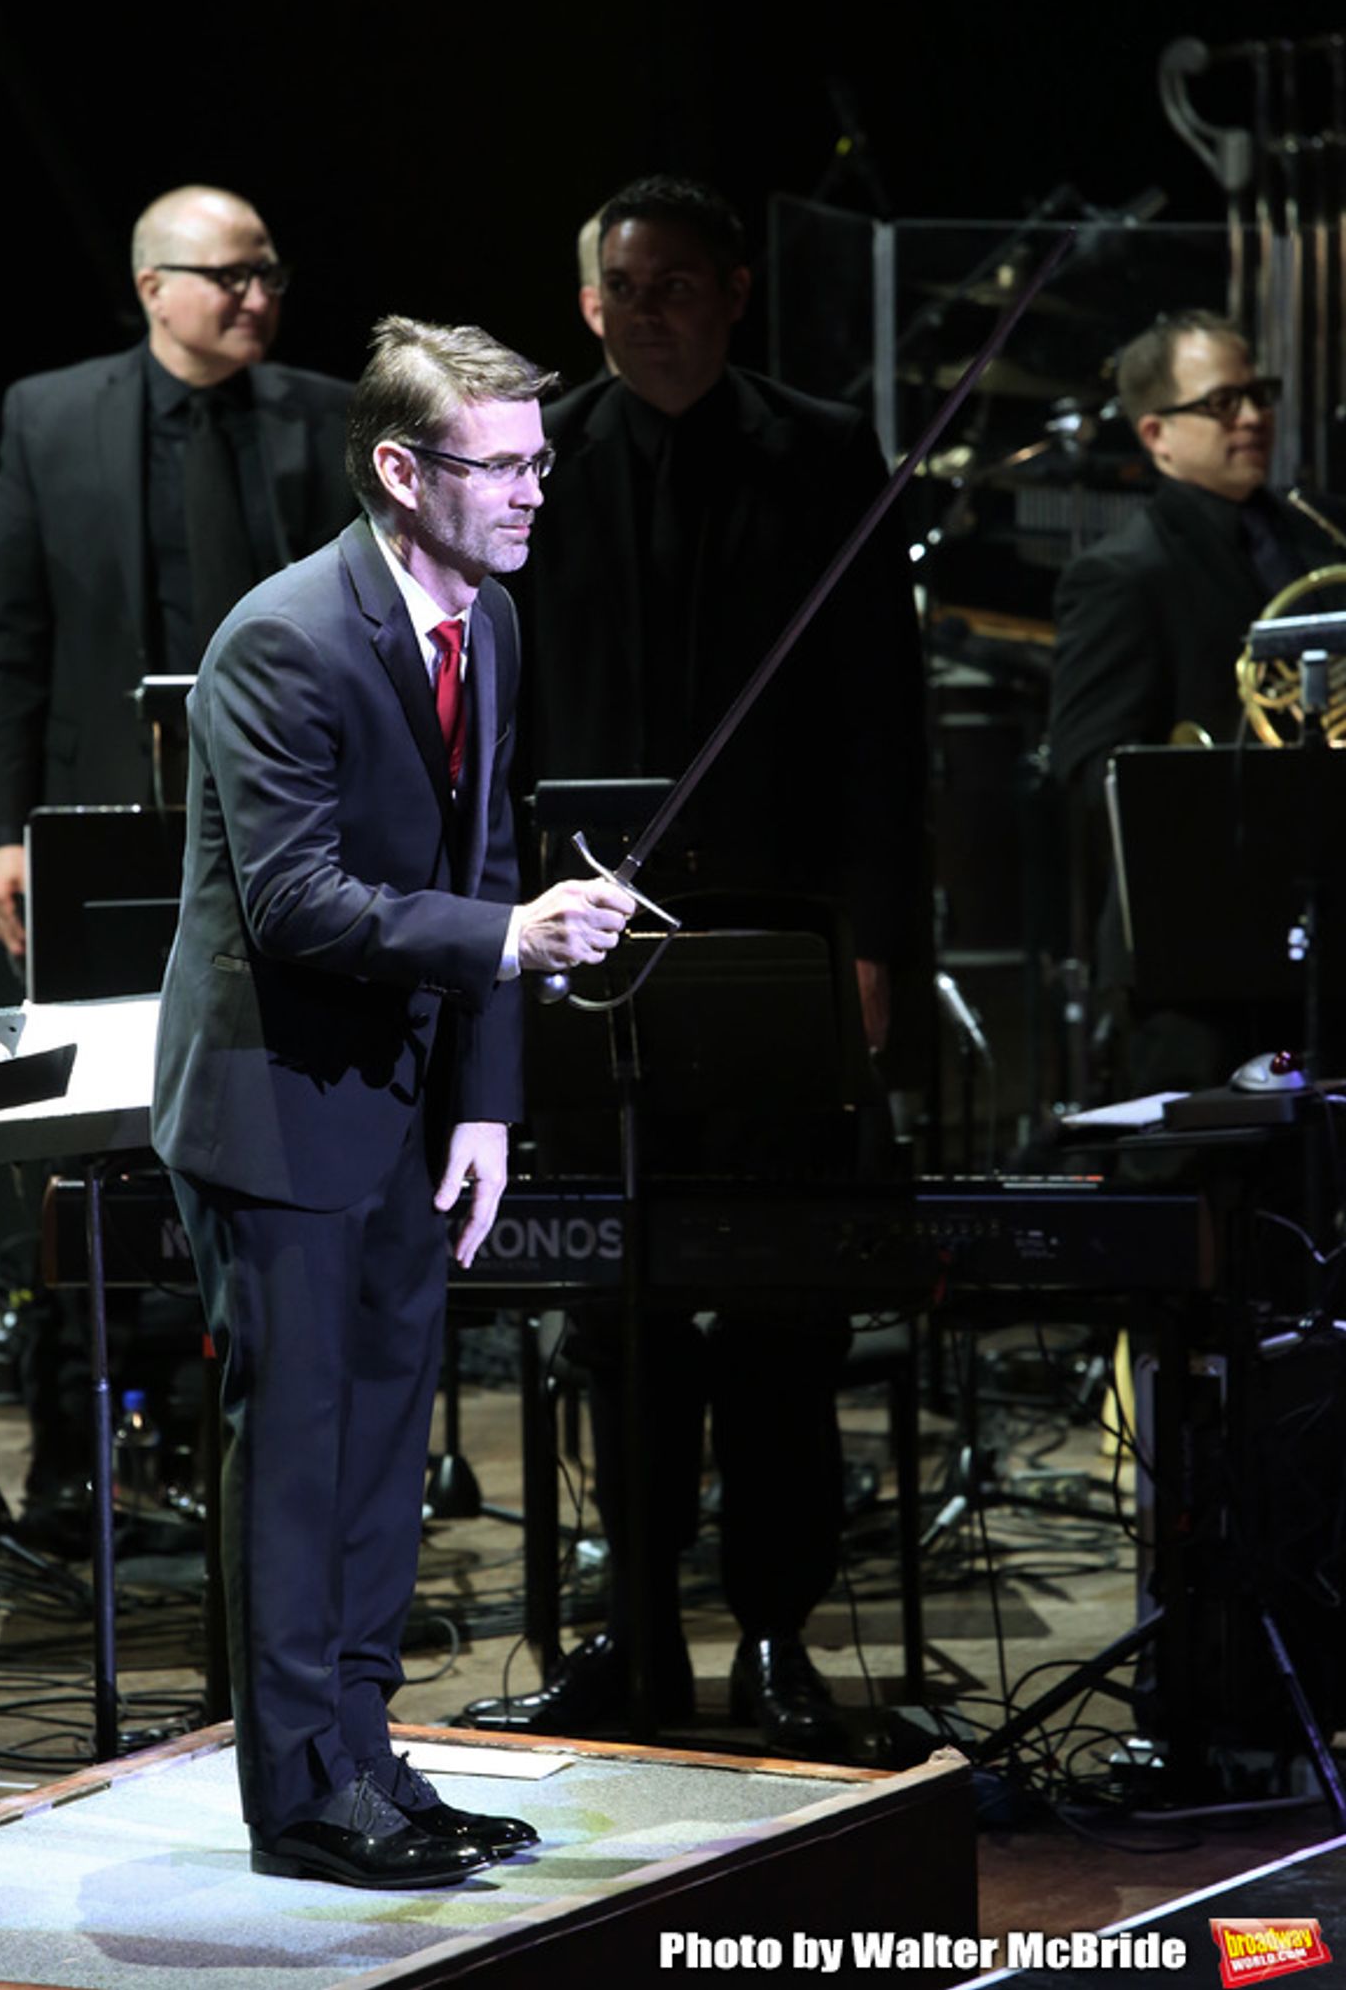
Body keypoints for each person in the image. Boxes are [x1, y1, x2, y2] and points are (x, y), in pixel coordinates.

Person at [151, 315, 633, 1887]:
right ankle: (298, 1793)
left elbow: (485, 856)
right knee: (299, 1457)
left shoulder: (491, 622)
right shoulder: (283, 638)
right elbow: (294, 899)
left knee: (380, 1456)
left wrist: (486, 1104)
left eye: (540, 464)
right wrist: (508, 939)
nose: (533, 493)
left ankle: (364, 1756)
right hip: (277, 1105)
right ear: (401, 469)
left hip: (411, 1109)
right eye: (501, 468)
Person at [461, 176, 926, 1759]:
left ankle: (781, 1631)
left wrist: (874, 937)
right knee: (618, 1306)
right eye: (624, 286)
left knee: (784, 1299)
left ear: (734, 292)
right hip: (586, 942)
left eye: (679, 282)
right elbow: (490, 711)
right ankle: (636, 1630)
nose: (650, 310)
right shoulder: (536, 454)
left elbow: (882, 717)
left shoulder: (825, 448)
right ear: (588, 306)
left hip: (783, 940)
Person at [0, 183, 354, 961]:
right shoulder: (50, 417)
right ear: (153, 289)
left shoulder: (331, 415)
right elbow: (10, 640)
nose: (257, 299)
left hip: (300, 800)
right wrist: (6, 832)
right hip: (110, 795)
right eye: (230, 278)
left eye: (268, 276)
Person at [1050, 309, 1340, 1087]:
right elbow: (1091, 772)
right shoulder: (1121, 574)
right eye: (1222, 402)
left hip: (1329, 925)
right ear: (1156, 434)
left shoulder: (1323, 537)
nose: (1252, 417)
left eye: (1259, 394)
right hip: (1201, 962)